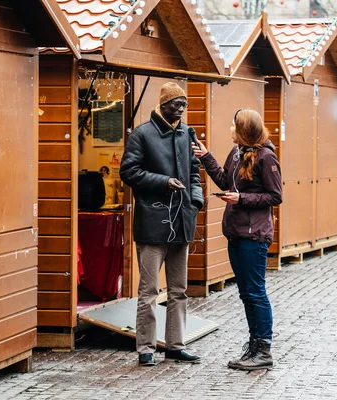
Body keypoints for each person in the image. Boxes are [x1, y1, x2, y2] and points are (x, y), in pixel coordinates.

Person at [120, 82, 204, 367]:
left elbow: (194, 171)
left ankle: (175, 345)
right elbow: (129, 171)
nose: (181, 108)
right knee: (149, 291)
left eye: (184, 104)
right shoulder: (142, 134)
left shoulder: (185, 133)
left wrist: (196, 202)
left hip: (182, 221)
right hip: (153, 222)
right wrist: (163, 182)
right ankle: (145, 347)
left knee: (179, 290)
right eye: (176, 103)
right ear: (163, 104)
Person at [192, 109, 282, 371]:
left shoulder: (267, 157)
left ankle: (263, 348)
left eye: (233, 126)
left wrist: (241, 199)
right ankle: (254, 346)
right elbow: (223, 180)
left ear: (244, 129)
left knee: (256, 292)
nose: (230, 129)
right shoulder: (236, 153)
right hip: (236, 232)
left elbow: (275, 196)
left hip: (254, 236)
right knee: (245, 294)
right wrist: (206, 157)